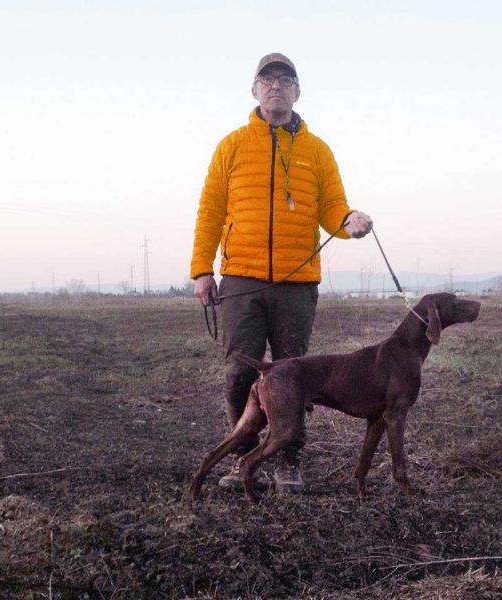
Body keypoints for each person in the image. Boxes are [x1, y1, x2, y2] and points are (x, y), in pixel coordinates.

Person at [190, 52, 373, 493]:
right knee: (239, 373)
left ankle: (288, 460)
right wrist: (202, 270)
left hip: (297, 285)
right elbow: (210, 211)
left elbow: (331, 208)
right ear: (254, 90)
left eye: (286, 80)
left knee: (292, 378)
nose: (277, 86)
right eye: (267, 79)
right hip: (241, 280)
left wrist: (349, 221)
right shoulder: (231, 146)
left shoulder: (317, 150)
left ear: (297, 92)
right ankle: (243, 460)